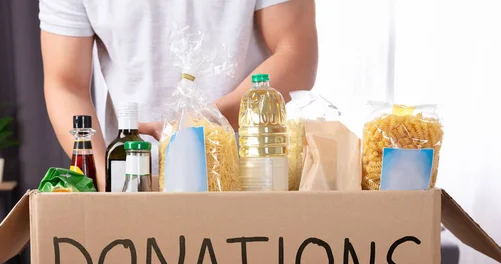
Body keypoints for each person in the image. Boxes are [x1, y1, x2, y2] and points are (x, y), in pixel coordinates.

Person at [39, 0, 318, 191]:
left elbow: (297, 54)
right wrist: (102, 174)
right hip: (135, 182)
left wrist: (198, 127)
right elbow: (65, 83)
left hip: (250, 177)